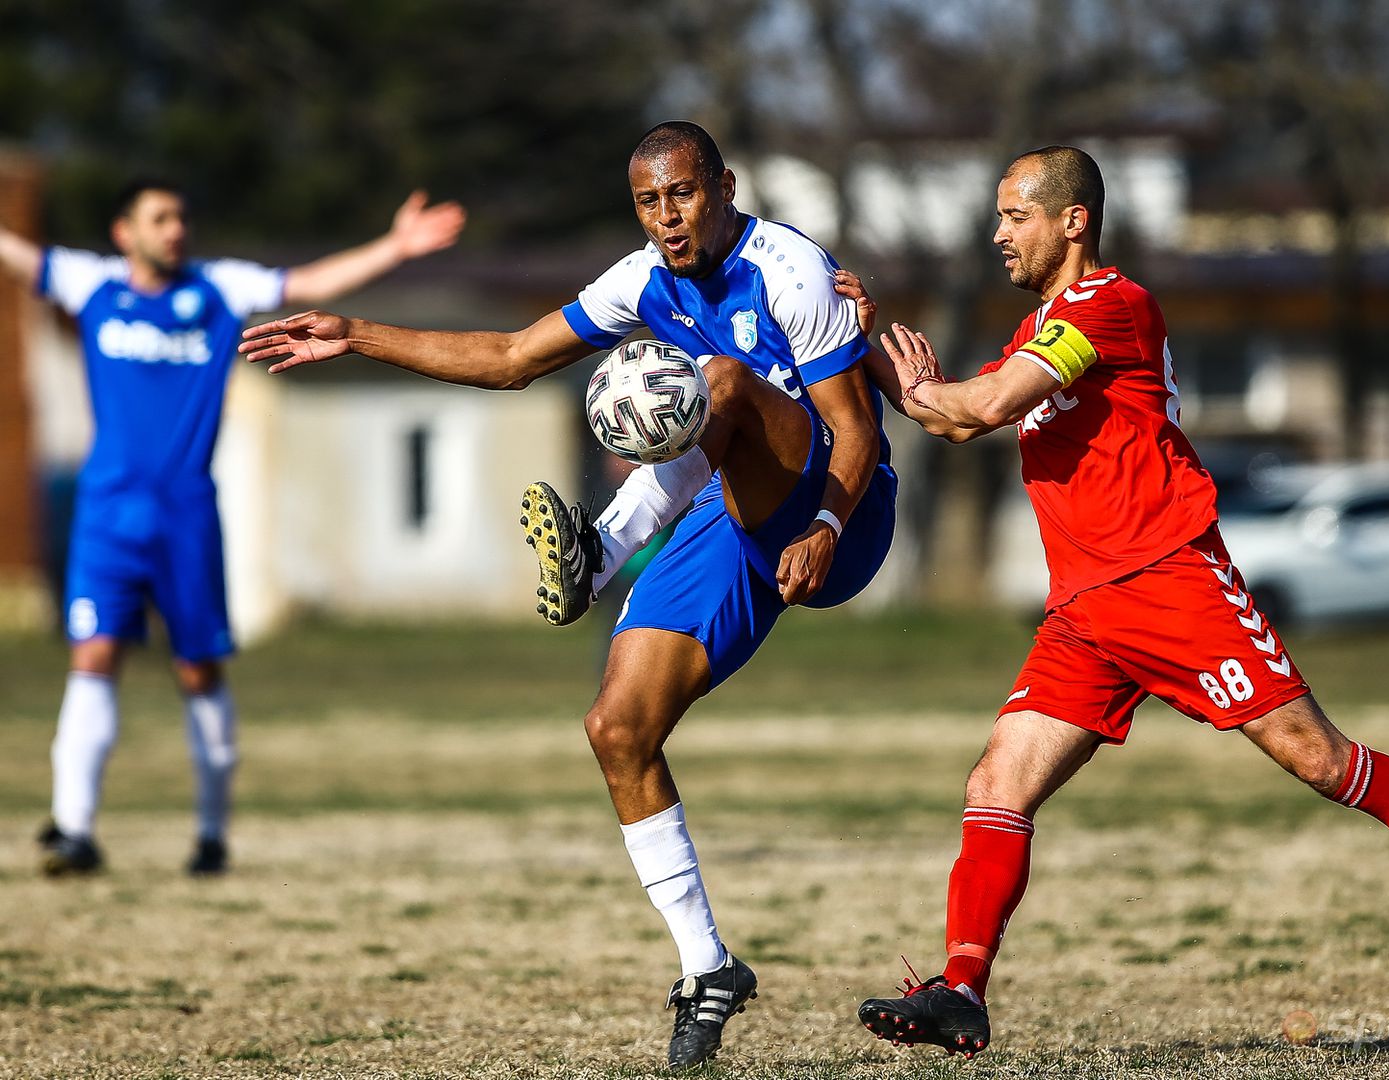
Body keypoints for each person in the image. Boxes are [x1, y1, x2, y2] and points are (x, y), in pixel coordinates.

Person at [845, 145, 1389, 1057]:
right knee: (997, 783)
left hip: (1171, 580)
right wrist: (860, 343)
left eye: (1014, 214)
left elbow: (977, 407)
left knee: (1318, 757)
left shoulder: (1109, 307)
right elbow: (949, 413)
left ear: (1073, 220)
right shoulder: (1037, 332)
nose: (998, 232)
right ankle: (960, 991)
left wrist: (922, 387)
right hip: (1086, 611)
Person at [239, 121, 896, 1069]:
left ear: (724, 187)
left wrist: (828, 528)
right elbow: (510, 356)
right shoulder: (639, 282)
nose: (667, 219)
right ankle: (706, 967)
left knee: (714, 382)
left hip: (838, 504)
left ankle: (605, 546)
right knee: (617, 730)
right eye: (648, 202)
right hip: (732, 510)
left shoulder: (788, 268)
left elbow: (856, 429)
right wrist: (356, 334)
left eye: (683, 195)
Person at [0, 180, 465, 878]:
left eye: (182, 214)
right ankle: (74, 828)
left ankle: (212, 835)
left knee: (198, 669)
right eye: (159, 217)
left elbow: (307, 282)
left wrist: (394, 247)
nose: (175, 228)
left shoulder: (219, 288)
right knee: (92, 657)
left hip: (186, 514)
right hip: (107, 514)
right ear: (124, 233)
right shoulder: (91, 284)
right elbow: (22, 258)